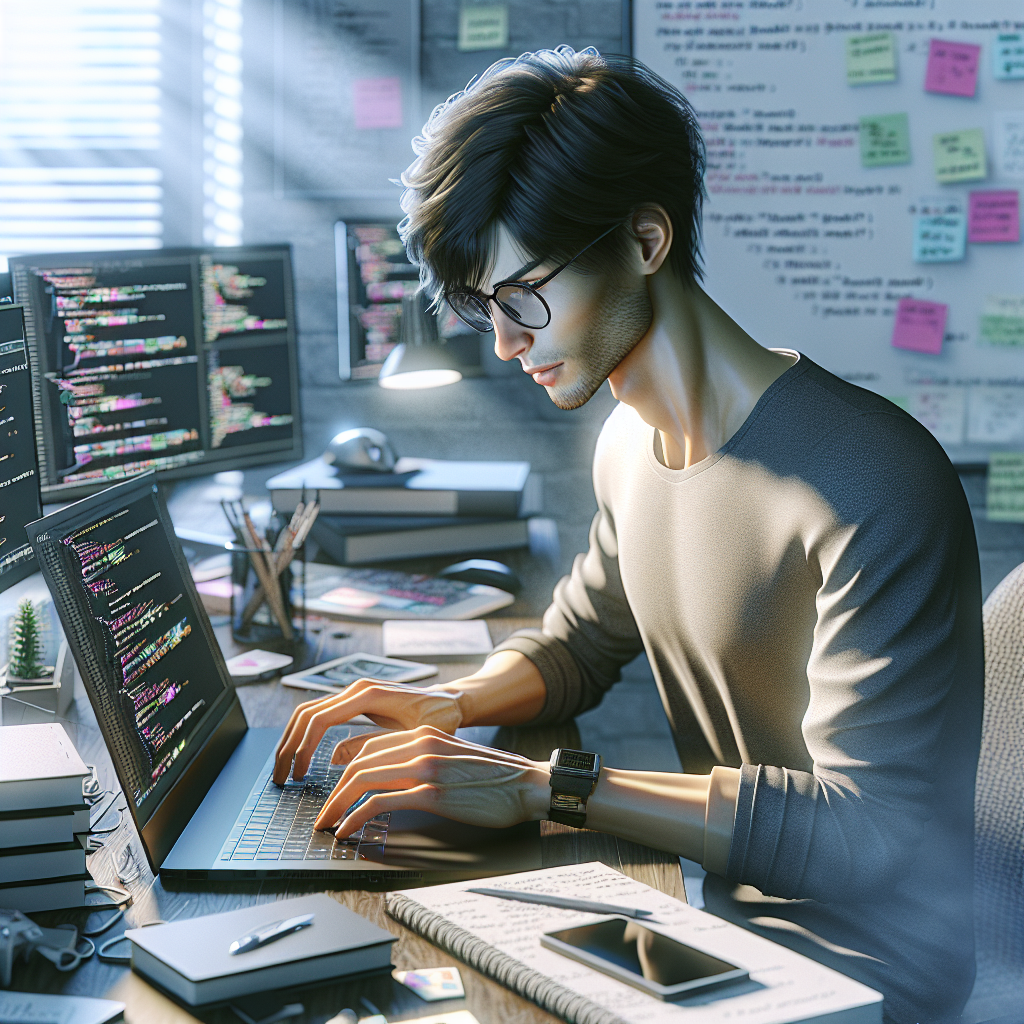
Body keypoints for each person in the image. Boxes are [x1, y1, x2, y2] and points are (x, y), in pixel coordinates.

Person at [273, 47, 983, 1024]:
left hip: (869, 974)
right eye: (485, 308)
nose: (505, 343)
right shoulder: (628, 444)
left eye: (523, 297)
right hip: (721, 929)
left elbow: (868, 832)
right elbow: (578, 643)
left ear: (645, 238)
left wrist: (536, 787)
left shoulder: (870, 478)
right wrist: (449, 701)